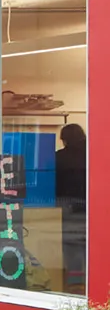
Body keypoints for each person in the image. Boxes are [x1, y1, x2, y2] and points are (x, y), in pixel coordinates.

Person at [57, 123, 88, 294]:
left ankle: (76, 285)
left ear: (65, 139)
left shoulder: (59, 157)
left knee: (72, 246)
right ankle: (96, 283)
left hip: (67, 205)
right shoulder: (94, 154)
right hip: (91, 206)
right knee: (93, 245)